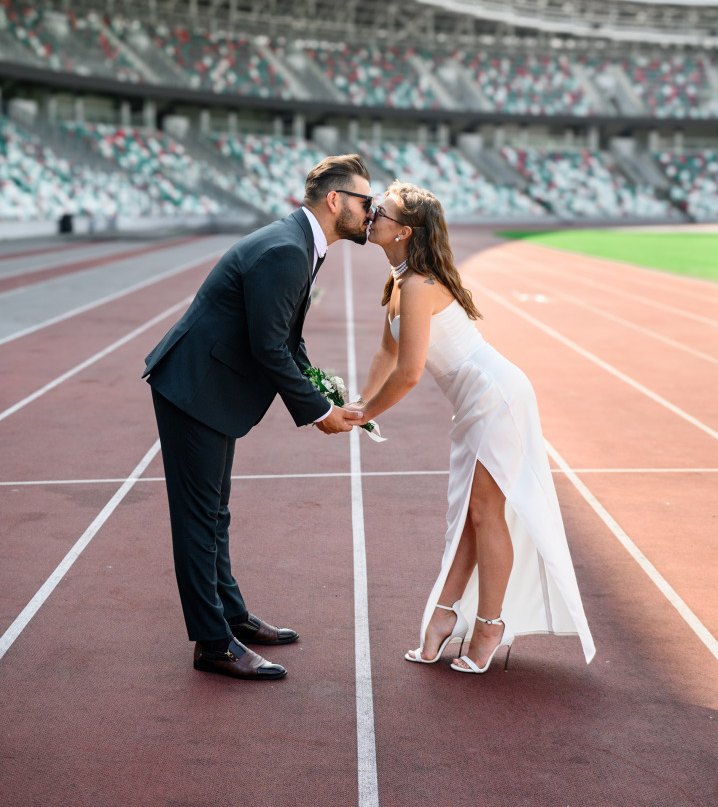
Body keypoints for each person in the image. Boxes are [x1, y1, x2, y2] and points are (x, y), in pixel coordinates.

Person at [143, 154, 373, 680]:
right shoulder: (287, 250)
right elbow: (269, 347)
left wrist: (322, 391)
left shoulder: (301, 244)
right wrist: (319, 414)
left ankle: (232, 616)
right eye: (366, 201)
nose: (372, 210)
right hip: (195, 389)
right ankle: (213, 643)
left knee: (214, 515)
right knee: (199, 521)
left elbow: (286, 338)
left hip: (211, 387)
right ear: (335, 201)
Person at [353, 181, 595, 673]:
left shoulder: (420, 286)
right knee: (469, 515)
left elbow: (410, 373)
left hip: (496, 396)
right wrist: (359, 403)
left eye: (382, 210)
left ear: (403, 231)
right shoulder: (401, 283)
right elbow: (387, 353)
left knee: (485, 514)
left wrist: (367, 415)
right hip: (474, 402)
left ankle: (489, 624)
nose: (372, 213)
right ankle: (446, 618)